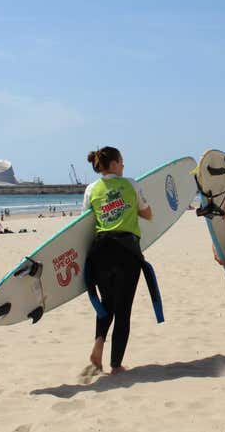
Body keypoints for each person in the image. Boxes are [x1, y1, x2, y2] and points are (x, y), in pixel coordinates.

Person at [82, 146, 161, 376]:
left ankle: (98, 343)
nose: (124, 165)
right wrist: (130, 211)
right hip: (127, 251)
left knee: (106, 303)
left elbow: (85, 223)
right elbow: (148, 214)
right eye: (122, 161)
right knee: (123, 309)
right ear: (115, 163)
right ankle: (116, 365)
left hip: (100, 251)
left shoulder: (91, 189)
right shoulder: (131, 184)